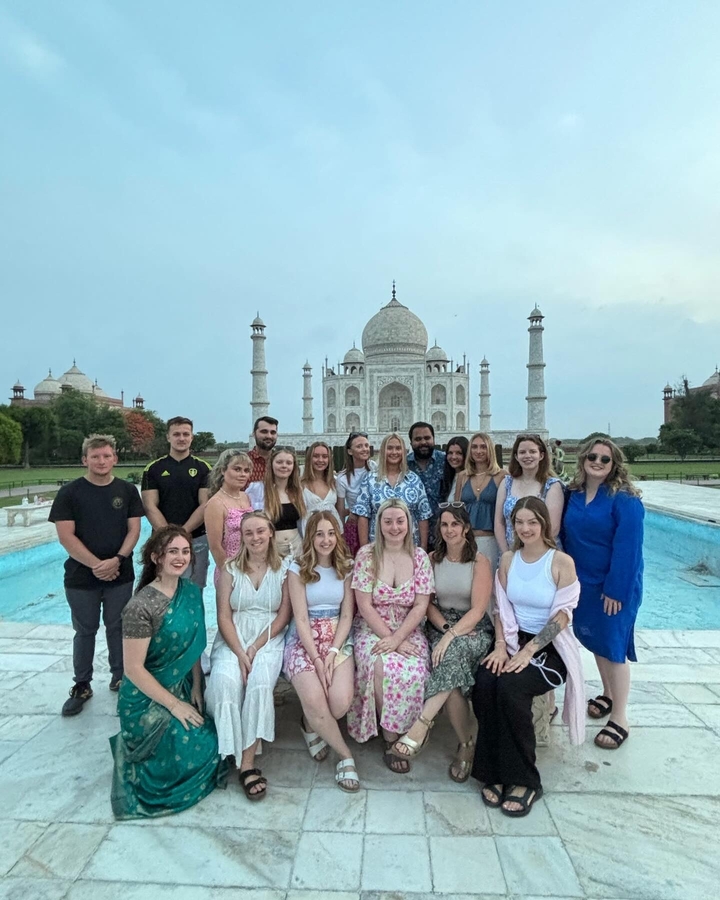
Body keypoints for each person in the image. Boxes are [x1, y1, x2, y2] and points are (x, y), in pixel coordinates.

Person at [472, 497, 584, 818]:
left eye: (532, 522)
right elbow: (501, 609)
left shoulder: (561, 562)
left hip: (549, 646)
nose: (525, 528)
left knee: (511, 689)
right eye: (519, 522)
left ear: (543, 524)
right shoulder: (508, 559)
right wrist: (498, 645)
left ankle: (524, 779)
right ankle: (492, 770)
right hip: (510, 639)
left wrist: (529, 650)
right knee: (484, 682)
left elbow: (562, 618)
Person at [110, 526, 225, 819]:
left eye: (185, 551)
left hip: (184, 685)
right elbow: (133, 669)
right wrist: (174, 705)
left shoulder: (190, 592)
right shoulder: (141, 606)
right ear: (155, 557)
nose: (181, 557)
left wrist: (197, 687)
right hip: (147, 698)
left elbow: (194, 646)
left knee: (212, 741)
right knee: (190, 753)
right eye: (173, 551)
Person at [391, 504, 494, 783]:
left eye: (455, 524)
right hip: (439, 625)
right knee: (451, 674)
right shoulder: (431, 559)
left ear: (466, 528)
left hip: (472, 629)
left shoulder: (480, 562)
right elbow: (427, 604)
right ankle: (466, 744)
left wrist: (452, 635)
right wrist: (445, 630)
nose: (450, 530)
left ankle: (421, 726)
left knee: (451, 655)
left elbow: (478, 610)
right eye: (445, 525)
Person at [49, 434, 143, 716]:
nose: (101, 461)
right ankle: (82, 684)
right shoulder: (70, 493)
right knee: (85, 630)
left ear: (114, 458)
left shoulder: (126, 491)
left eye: (106, 456)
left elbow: (134, 530)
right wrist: (96, 565)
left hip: (120, 574)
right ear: (84, 460)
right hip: (81, 577)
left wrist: (117, 560)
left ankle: (120, 677)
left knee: (117, 627)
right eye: (95, 457)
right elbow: (66, 537)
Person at [561, 438, 644, 750]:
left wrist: (616, 589)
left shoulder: (624, 499)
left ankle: (620, 717)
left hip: (613, 586)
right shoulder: (575, 494)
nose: (597, 462)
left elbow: (629, 550)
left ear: (614, 464)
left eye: (605, 459)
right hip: (582, 584)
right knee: (595, 639)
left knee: (613, 646)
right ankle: (608, 694)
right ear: (583, 459)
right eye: (592, 456)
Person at [205, 512, 292, 800]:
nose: (255, 538)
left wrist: (254, 649)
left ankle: (246, 764)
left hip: (268, 636)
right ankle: (228, 748)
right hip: (233, 637)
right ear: (241, 537)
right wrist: (241, 652)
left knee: (258, 685)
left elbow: (284, 615)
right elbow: (223, 616)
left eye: (260, 531)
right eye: (249, 533)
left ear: (271, 533)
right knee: (224, 682)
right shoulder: (230, 568)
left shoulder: (284, 568)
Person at [348, 498, 434, 774]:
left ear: (409, 524)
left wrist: (399, 639)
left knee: (416, 670)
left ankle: (412, 731)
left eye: (400, 521)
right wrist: (389, 638)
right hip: (372, 627)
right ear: (379, 525)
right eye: (388, 522)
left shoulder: (420, 557)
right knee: (381, 667)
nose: (394, 527)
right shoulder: (366, 555)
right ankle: (390, 736)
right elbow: (364, 604)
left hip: (408, 627)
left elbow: (421, 605)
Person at [284, 511, 359, 792]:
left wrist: (332, 652)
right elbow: (301, 618)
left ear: (337, 536)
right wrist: (316, 657)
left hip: (337, 638)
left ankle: (309, 722)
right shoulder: (297, 568)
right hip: (304, 641)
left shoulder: (346, 567)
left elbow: (348, 616)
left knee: (339, 703)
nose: (325, 539)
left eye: (330, 533)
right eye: (319, 534)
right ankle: (346, 756)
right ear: (310, 538)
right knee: (316, 700)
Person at [141, 416, 212, 592]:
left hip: (196, 539)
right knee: (163, 591)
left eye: (186, 434)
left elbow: (205, 505)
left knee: (193, 592)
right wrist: (169, 536)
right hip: (162, 539)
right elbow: (150, 506)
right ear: (168, 437)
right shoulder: (153, 469)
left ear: (191, 437)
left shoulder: (204, 468)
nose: (181, 438)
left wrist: (182, 534)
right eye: (177, 434)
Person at [353, 433, 432, 550]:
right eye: (389, 448)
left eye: (398, 448)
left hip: (409, 545)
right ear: (383, 451)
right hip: (378, 546)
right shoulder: (371, 479)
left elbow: (423, 515)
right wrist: (364, 549)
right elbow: (363, 515)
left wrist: (423, 547)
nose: (394, 452)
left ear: (404, 452)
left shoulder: (414, 480)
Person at [495, 434, 564, 553]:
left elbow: (553, 528)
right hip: (511, 553)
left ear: (541, 455)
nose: (527, 456)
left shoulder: (551, 486)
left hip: (542, 553)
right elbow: (499, 522)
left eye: (532, 451)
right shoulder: (507, 483)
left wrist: (528, 555)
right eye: (522, 452)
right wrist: (507, 553)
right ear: (516, 456)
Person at [454, 432, 506, 572]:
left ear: (490, 449)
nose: (478, 451)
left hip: (491, 539)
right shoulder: (462, 476)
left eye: (483, 447)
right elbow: (457, 510)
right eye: (474, 447)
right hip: (467, 540)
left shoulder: (501, 476)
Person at [205, 449, 254, 586]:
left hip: (251, 567)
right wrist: (231, 575)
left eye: (246, 470)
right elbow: (215, 547)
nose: (242, 474)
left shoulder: (246, 497)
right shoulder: (216, 503)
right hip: (230, 571)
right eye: (237, 469)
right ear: (223, 470)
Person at [249, 446, 307, 557]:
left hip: (296, 548)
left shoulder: (298, 491)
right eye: (279, 462)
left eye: (289, 463)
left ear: (294, 467)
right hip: (271, 549)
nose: (284, 466)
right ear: (271, 464)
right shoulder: (258, 489)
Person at [407, 421, 446, 547]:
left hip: (444, 533)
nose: (423, 442)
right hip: (413, 534)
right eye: (418, 439)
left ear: (434, 439)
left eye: (427, 438)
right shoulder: (404, 465)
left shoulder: (446, 461)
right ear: (411, 442)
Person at [336, 431, 375, 556]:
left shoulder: (375, 469)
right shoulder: (342, 478)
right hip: (355, 527)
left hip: (376, 523)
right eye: (359, 446)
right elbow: (340, 511)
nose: (364, 449)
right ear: (349, 451)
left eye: (366, 445)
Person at [300, 441, 343, 531]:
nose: (320, 460)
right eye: (316, 456)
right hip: (310, 531)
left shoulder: (334, 482)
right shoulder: (300, 484)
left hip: (334, 531)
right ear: (309, 458)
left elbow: (339, 510)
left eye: (325, 456)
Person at [247, 416, 279, 485]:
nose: (269, 436)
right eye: (264, 432)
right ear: (254, 434)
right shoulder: (244, 462)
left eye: (273, 432)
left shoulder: (282, 462)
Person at [439, 436, 468, 504]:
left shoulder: (470, 478)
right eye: (450, 453)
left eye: (459, 453)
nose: (454, 457)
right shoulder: (447, 478)